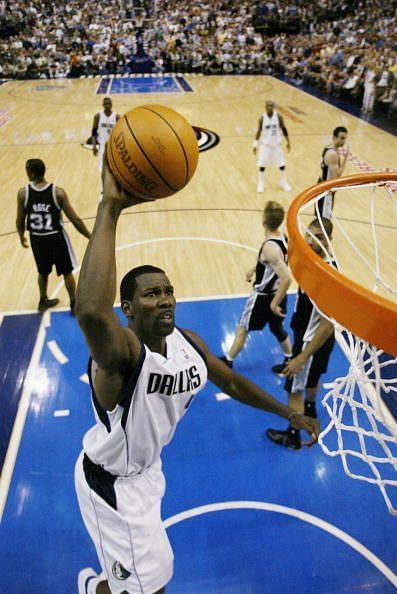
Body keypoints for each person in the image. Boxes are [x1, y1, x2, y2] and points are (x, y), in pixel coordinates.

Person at [74, 162, 319, 594]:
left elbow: (231, 382)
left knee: (139, 577)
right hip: (110, 484)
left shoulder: (188, 341)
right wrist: (110, 206)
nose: (166, 299)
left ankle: (99, 587)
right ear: (128, 310)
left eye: (168, 290)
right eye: (152, 294)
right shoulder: (122, 356)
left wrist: (289, 413)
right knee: (153, 586)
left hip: (147, 475)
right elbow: (92, 311)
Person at [267, 218, 335, 450]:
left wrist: (299, 358)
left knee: (293, 388)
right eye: (309, 235)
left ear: (328, 240)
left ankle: (293, 435)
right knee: (313, 379)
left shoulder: (327, 276)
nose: (311, 241)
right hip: (308, 336)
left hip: (311, 343)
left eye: (317, 237)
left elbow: (327, 326)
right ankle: (311, 408)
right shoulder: (315, 261)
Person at [219, 201, 292, 369]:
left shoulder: (269, 248)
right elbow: (277, 262)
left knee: (243, 328)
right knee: (276, 327)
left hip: (264, 298)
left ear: (264, 221)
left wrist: (273, 304)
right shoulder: (283, 238)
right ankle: (289, 358)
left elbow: (287, 278)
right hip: (279, 294)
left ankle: (228, 360)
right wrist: (255, 269)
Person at [16, 158, 91, 313]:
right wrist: (90, 235)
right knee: (67, 272)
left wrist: (21, 235)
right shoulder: (58, 193)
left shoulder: (23, 194)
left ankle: (42, 300)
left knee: (42, 272)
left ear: (31, 173)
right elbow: (74, 219)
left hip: (37, 238)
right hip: (56, 238)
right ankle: (74, 304)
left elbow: (20, 219)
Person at [253, 100, 291, 193]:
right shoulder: (262, 118)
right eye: (268, 106)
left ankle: (283, 181)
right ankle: (261, 183)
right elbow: (259, 131)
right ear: (265, 107)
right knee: (262, 166)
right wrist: (254, 144)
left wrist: (288, 141)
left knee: (282, 165)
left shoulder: (278, 117)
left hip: (277, 145)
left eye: (271, 106)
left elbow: (284, 128)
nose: (269, 107)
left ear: (273, 107)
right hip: (265, 145)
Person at [317, 126, 349, 220]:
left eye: (345, 138)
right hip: (327, 191)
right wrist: (346, 158)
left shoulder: (328, 147)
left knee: (320, 216)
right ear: (334, 137)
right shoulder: (333, 154)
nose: (343, 141)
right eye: (341, 138)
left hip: (322, 185)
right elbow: (337, 176)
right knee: (325, 220)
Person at [91, 97, 120, 173]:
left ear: (111, 105)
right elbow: (93, 133)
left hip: (113, 146)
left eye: (109, 104)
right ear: (103, 105)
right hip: (102, 146)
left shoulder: (117, 116)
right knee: (102, 170)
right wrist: (94, 146)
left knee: (114, 169)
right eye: (106, 104)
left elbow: (121, 133)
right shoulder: (97, 116)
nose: (107, 105)